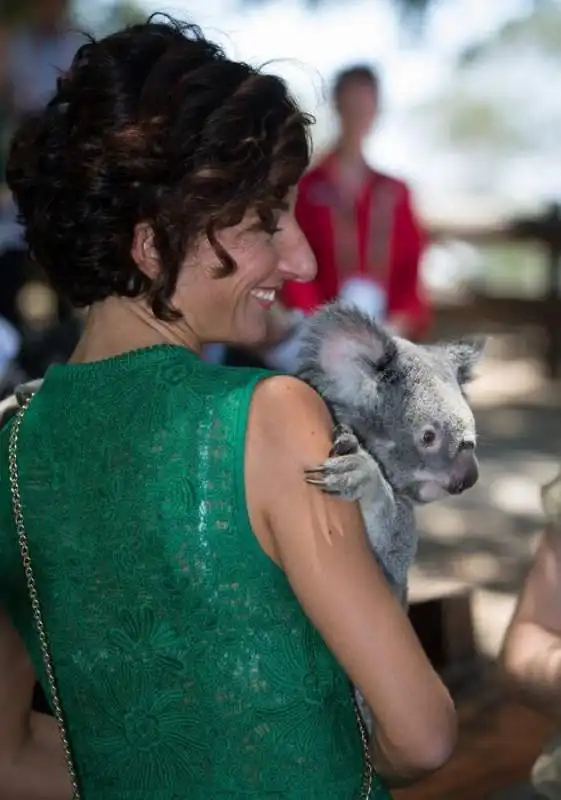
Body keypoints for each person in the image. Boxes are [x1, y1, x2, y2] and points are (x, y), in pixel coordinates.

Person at [0, 18, 456, 798]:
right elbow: (421, 733)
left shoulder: (10, 447)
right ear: (150, 245)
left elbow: (8, 757)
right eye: (261, 223)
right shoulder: (270, 417)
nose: (302, 259)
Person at [283, 64, 430, 341]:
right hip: (317, 336)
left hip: (382, 335)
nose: (359, 113)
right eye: (352, 103)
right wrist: (316, 321)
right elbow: (292, 264)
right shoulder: (308, 188)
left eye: (366, 104)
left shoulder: (395, 193)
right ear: (337, 105)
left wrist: (397, 324)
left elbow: (410, 270)